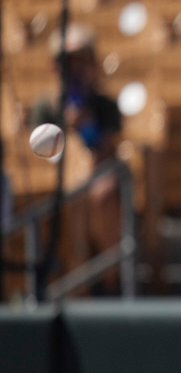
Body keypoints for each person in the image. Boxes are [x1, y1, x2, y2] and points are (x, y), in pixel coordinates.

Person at [32, 24, 122, 293]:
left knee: (103, 192)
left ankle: (109, 284)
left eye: (80, 60)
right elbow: (33, 154)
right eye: (65, 61)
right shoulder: (44, 106)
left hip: (91, 178)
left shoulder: (104, 105)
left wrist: (84, 126)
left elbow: (107, 151)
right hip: (52, 181)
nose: (73, 68)